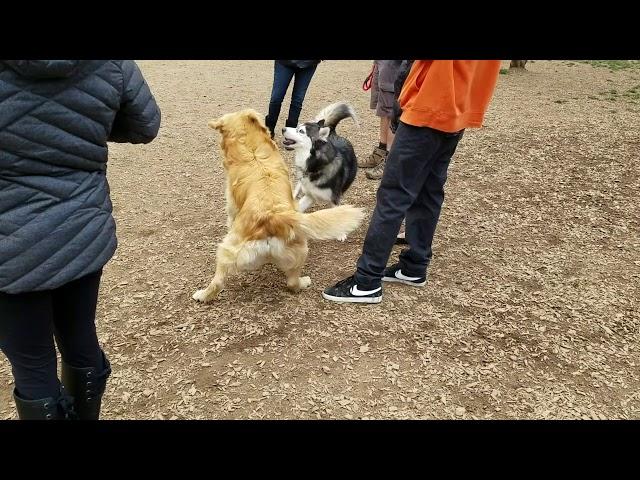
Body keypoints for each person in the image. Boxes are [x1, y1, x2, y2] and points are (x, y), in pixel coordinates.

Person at [0, 60, 161, 419]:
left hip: (8, 244)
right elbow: (145, 124)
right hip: (79, 230)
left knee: (31, 363)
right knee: (79, 334)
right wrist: (86, 126)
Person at [323, 60, 502, 304]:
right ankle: (414, 267)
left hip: (428, 103)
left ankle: (366, 280)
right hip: (460, 103)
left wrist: (401, 100)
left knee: (394, 193)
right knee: (429, 189)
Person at [359, 60, 403, 179]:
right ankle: (381, 150)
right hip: (383, 64)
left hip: (396, 66)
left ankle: (389, 159)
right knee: (383, 106)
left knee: (392, 109)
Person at [264, 60, 321, 138]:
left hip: (309, 63)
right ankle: (269, 130)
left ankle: (290, 134)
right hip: (284, 62)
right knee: (276, 98)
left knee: (297, 100)